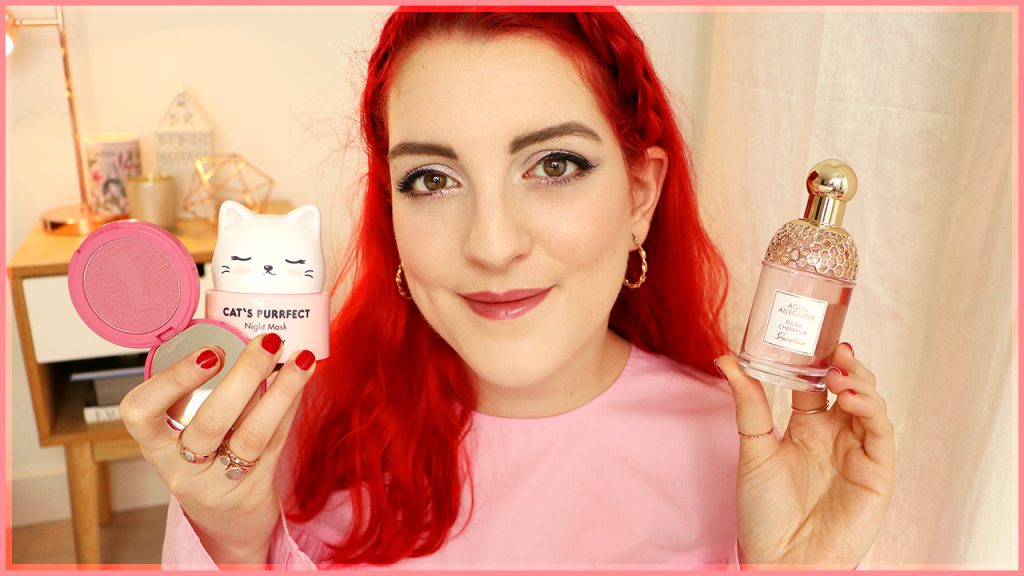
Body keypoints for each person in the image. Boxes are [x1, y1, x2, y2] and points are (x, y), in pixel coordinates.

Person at [121, 8, 895, 569]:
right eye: (432, 179)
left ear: (639, 197)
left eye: (554, 165)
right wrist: (234, 543)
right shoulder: (282, 436)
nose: (492, 246)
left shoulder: (747, 455)